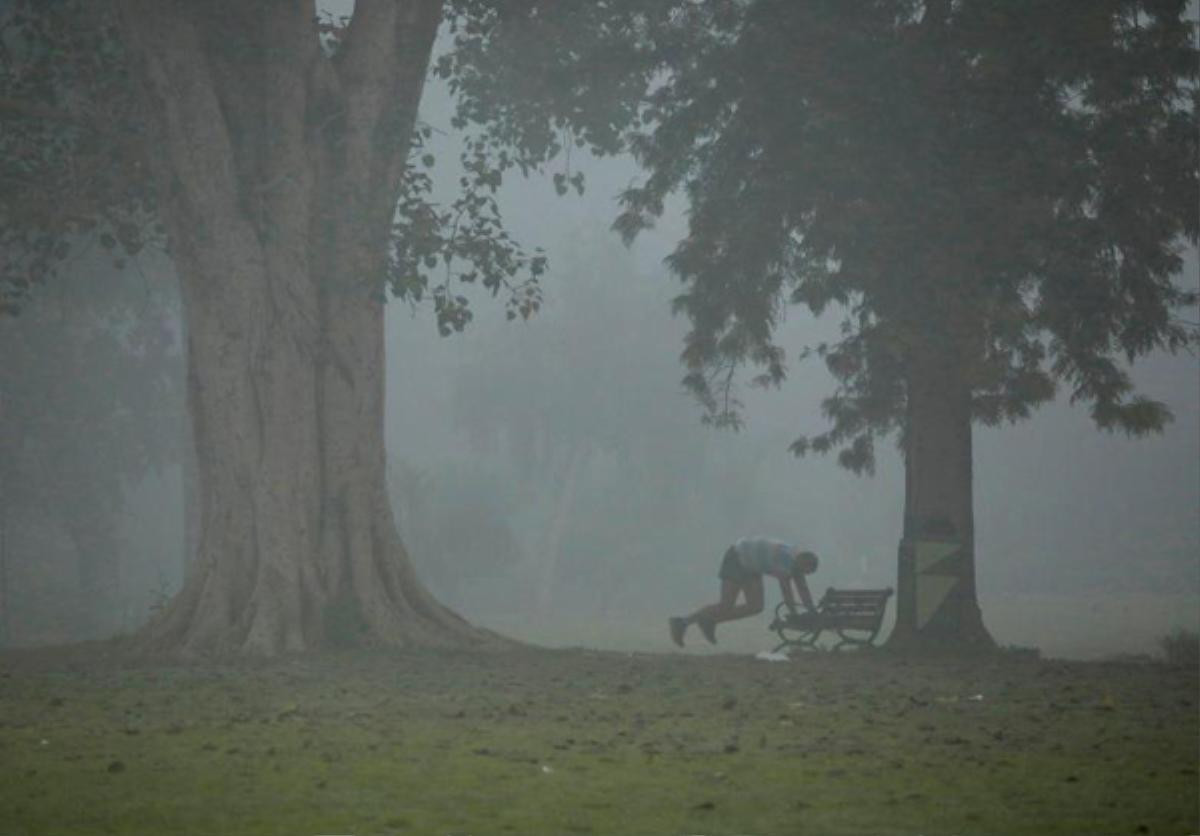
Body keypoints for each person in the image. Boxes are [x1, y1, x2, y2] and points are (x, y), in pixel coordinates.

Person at [669, 537, 819, 647]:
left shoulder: (798, 560)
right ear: (802, 563)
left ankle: (710, 621)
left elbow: (802, 587)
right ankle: (681, 622)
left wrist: (812, 610)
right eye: (804, 572)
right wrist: (794, 614)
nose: (802, 575)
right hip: (737, 557)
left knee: (756, 606)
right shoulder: (785, 561)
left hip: (753, 566)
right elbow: (787, 590)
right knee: (726, 604)